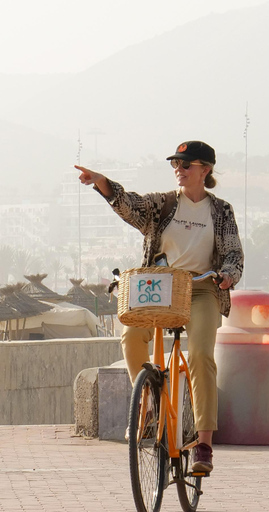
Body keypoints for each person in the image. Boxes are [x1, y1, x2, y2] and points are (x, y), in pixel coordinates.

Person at [77, 140, 244, 473]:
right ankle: (151, 401)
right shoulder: (164, 204)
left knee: (199, 355)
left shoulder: (220, 211)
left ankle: (204, 444)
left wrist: (227, 275)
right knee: (130, 335)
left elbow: (234, 254)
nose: (178, 171)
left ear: (205, 170)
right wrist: (101, 182)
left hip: (200, 289)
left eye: (186, 165)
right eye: (175, 165)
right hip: (158, 286)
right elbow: (130, 205)